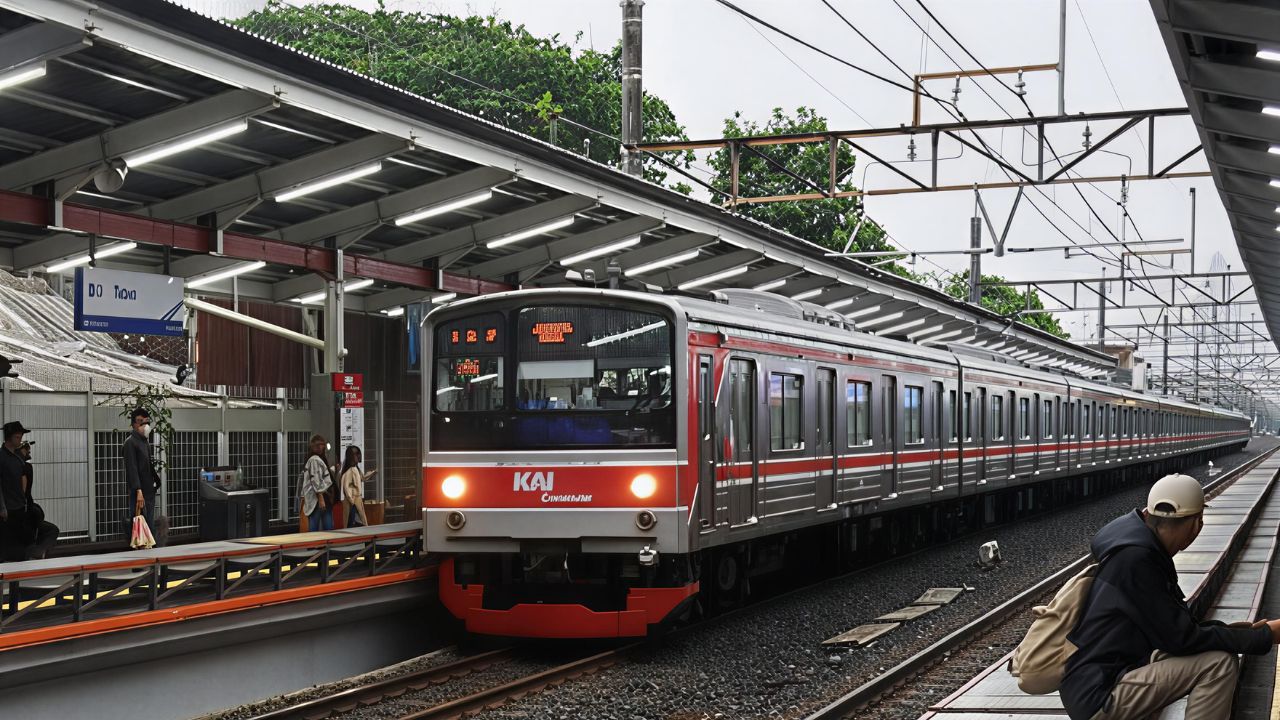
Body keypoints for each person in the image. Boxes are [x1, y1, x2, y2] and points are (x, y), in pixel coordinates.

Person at [1060, 473, 1280, 720]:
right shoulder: (1138, 562)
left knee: (1214, 654)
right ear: (1197, 524)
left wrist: (1246, 632)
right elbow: (1182, 639)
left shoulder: (1136, 552)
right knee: (1217, 664)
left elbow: (1174, 629)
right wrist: (1266, 636)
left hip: (1103, 676)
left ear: (1147, 515)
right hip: (1099, 695)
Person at [17, 440, 58, 560]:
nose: (29, 452)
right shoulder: (25, 467)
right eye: (27, 449)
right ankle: (36, 552)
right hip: (25, 515)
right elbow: (24, 492)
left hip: (21, 513)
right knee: (52, 530)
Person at [122, 408, 161, 530]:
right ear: (134, 424)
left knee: (148, 523)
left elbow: (147, 465)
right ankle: (142, 547)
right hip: (139, 492)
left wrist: (155, 482)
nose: (145, 426)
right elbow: (132, 468)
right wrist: (138, 490)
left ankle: (150, 547)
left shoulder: (144, 442)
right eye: (141, 422)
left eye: (147, 422)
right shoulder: (130, 442)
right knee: (140, 525)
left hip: (148, 490)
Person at [0, 421, 29, 561]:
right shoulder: (1, 456)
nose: (20, 440)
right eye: (18, 437)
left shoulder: (18, 457)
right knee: (7, 547)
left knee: (18, 547)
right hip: (7, 509)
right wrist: (2, 507)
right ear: (9, 437)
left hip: (18, 506)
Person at [300, 434, 334, 532]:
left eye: (321, 444)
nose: (320, 447)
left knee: (322, 525)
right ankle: (318, 546)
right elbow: (315, 479)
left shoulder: (317, 458)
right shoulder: (314, 459)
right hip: (318, 498)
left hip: (321, 497)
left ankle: (318, 546)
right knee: (319, 526)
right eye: (317, 445)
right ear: (312, 446)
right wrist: (321, 497)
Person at [339, 445, 375, 528]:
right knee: (350, 520)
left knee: (360, 518)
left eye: (358, 453)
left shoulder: (356, 469)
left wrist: (372, 473)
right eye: (356, 454)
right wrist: (350, 499)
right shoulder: (350, 470)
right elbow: (346, 486)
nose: (358, 456)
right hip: (351, 498)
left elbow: (362, 478)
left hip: (356, 497)